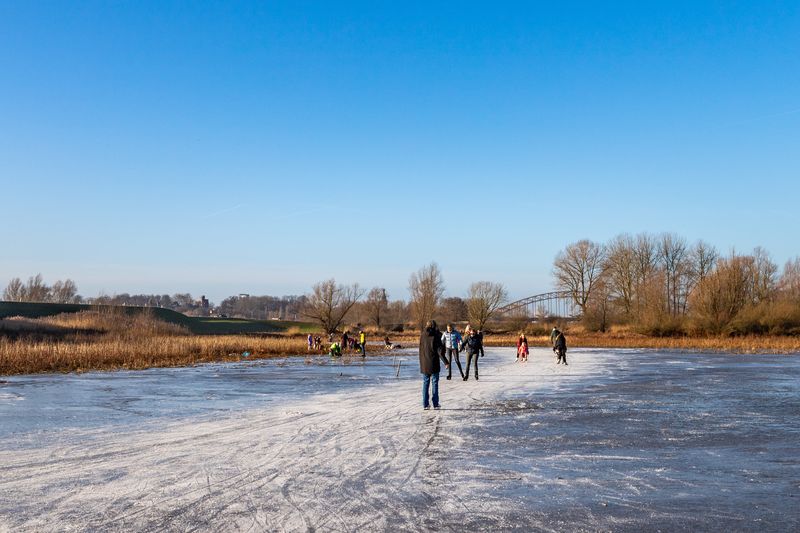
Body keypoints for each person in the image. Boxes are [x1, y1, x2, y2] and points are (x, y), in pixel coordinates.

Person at [419, 319, 448, 410]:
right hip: (434, 362)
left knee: (426, 382)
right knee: (434, 382)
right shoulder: (436, 335)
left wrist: (421, 361)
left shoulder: (422, 335)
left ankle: (425, 404)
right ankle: (435, 404)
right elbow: (439, 351)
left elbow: (420, 349)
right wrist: (446, 362)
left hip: (424, 362)